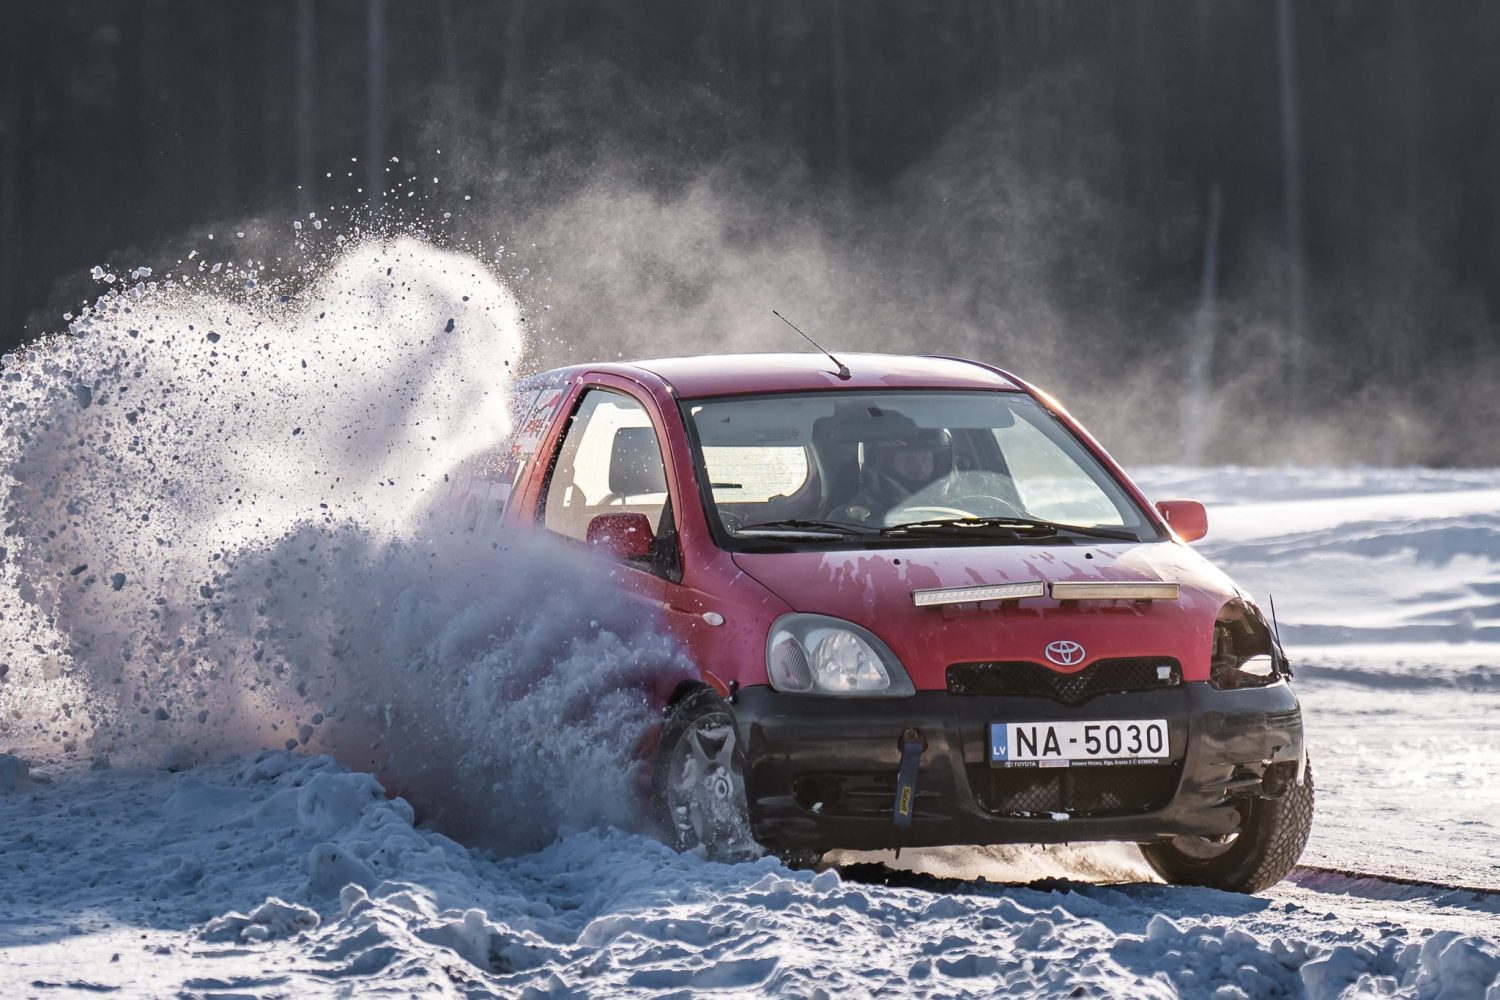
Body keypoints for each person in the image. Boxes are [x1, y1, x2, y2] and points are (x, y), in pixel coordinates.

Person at [832, 429, 957, 524]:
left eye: (926, 459)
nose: (919, 466)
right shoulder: (848, 521)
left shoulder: (960, 513)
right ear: (884, 464)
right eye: (907, 459)